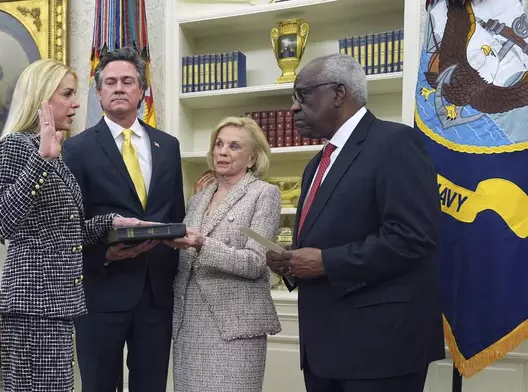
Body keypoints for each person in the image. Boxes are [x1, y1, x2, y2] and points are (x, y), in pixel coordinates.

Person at [266, 53, 444, 392]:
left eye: (302, 94)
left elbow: (415, 237)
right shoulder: (317, 163)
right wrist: (291, 260)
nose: (293, 107)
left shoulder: (395, 143)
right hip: (324, 350)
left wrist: (325, 263)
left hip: (381, 350)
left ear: (337, 93)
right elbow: (330, 238)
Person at [0, 59, 141, 392]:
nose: (75, 103)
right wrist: (40, 160)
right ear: (42, 98)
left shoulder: (55, 152)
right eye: (67, 94)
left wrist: (108, 223)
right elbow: (2, 223)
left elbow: (64, 230)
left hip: (59, 304)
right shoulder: (15, 146)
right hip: (31, 305)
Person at [62, 46, 185, 392]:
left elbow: (175, 212)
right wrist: (102, 254)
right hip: (101, 291)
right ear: (98, 92)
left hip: (156, 295)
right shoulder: (76, 149)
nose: (119, 88)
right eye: (111, 82)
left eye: (128, 81)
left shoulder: (168, 145)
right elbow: (69, 226)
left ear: (141, 91)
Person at [165, 116, 282, 392]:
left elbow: (255, 262)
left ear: (252, 158)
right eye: (218, 144)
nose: (222, 151)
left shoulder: (264, 195)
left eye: (234, 146)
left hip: (235, 331)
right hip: (189, 326)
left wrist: (202, 243)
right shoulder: (198, 198)